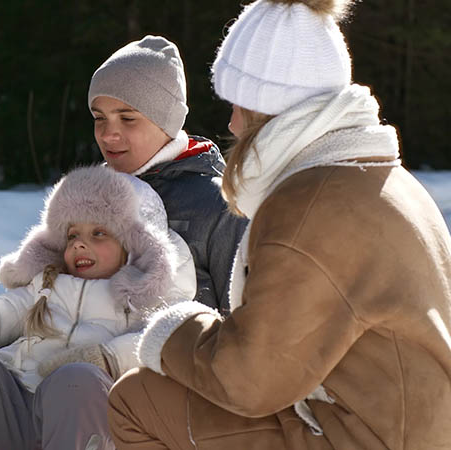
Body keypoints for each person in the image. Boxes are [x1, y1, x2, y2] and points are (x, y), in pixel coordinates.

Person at [107, 0, 451, 448]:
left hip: (359, 437)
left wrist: (173, 331)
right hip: (406, 428)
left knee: (138, 398)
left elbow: (248, 381)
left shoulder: (311, 205)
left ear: (268, 108)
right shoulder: (381, 179)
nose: (230, 122)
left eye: (238, 105)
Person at [0, 165, 197, 450]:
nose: (78, 244)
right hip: (12, 413)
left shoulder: (143, 304)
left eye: (98, 233)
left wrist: (107, 358)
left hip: (83, 421)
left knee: (76, 378)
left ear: (133, 245)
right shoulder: (44, 287)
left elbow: (171, 345)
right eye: (72, 235)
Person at [88, 35, 247, 315]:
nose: (108, 134)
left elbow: (241, 319)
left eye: (127, 118)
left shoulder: (218, 204)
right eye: (100, 118)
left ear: (166, 122)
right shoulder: (88, 196)